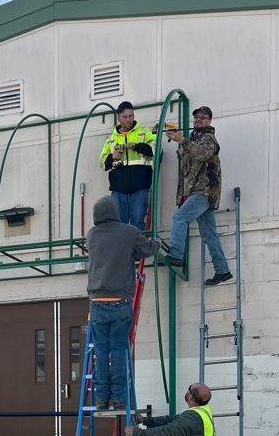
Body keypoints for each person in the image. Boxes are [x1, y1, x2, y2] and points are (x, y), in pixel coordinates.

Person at [86, 195, 157, 411]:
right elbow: (147, 249)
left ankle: (101, 399)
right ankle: (118, 399)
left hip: (96, 302)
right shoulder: (128, 232)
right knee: (118, 351)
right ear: (115, 212)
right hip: (120, 301)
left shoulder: (91, 235)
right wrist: (157, 242)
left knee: (100, 351)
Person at [160, 106, 233, 286]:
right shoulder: (193, 139)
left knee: (179, 218)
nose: (198, 120)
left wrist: (182, 140)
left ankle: (176, 254)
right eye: (196, 117)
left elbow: (201, 154)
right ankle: (222, 270)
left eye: (203, 117)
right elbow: (186, 165)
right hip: (196, 193)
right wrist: (179, 140)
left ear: (209, 120)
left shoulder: (209, 139)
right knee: (209, 235)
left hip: (204, 191)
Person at [98, 101, 157, 231]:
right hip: (118, 190)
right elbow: (102, 163)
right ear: (118, 118)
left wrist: (136, 146)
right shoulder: (111, 139)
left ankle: (137, 246)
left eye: (130, 116)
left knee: (138, 224)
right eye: (125, 117)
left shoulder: (144, 132)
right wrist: (112, 156)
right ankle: (123, 246)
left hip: (140, 188)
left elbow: (157, 150)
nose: (128, 119)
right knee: (119, 225)